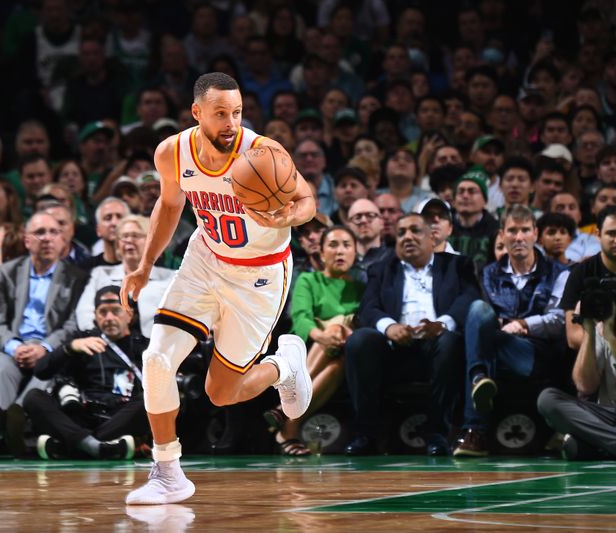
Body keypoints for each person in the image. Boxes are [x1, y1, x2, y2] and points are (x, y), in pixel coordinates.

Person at [120, 72, 316, 505]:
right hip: (205, 259)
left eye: (238, 112)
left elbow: (307, 200)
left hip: (259, 275)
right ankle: (168, 472)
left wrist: (288, 218)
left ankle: (284, 365)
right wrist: (145, 265)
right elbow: (170, 205)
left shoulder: (263, 152)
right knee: (156, 361)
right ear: (197, 112)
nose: (231, 122)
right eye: (221, 113)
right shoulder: (173, 152)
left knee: (221, 392)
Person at [343, 213, 478, 456]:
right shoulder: (381, 269)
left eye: (415, 231)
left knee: (449, 342)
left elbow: (470, 299)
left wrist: (443, 324)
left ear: (432, 237)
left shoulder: (458, 265)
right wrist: (389, 327)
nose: (408, 237)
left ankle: (437, 436)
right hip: (393, 348)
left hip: (437, 344)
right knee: (360, 340)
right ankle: (366, 435)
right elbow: (368, 307)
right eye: (402, 232)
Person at [453, 205, 569, 457]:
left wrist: (525, 324)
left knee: (481, 346)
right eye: (512, 231)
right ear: (502, 235)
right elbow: (482, 321)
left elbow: (559, 320)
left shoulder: (558, 272)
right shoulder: (488, 273)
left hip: (536, 353)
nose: (518, 237)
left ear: (535, 234)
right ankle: (478, 379)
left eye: (525, 230)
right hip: (498, 343)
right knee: (476, 309)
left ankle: (474, 431)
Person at [0, 212, 86, 455]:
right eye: (40, 232)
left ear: (63, 241)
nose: (47, 238)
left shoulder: (76, 277)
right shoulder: (8, 272)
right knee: (1, 363)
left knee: (50, 365)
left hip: (49, 347)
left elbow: (73, 325)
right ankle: (7, 426)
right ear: (27, 240)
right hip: (15, 345)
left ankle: (12, 425)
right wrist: (14, 346)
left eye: (54, 232)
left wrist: (45, 348)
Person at [266, 226, 365, 455]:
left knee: (339, 361)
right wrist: (324, 336)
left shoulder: (360, 287)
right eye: (333, 245)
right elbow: (300, 318)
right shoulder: (309, 280)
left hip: (342, 351)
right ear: (321, 253)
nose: (340, 251)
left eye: (346, 245)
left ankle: (286, 415)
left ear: (355, 253)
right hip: (308, 345)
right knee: (336, 331)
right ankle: (289, 419)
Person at [24, 285, 147, 460]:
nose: (109, 318)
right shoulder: (83, 341)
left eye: (116, 311)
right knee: (33, 397)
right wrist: (69, 348)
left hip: (121, 419)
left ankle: (76, 446)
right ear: (95, 316)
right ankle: (101, 447)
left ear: (129, 314)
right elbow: (41, 371)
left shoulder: (145, 346)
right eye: (103, 312)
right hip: (83, 416)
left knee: (152, 400)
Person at [536, 297, 616, 460]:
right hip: (608, 416)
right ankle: (605, 444)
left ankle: (601, 445)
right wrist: (589, 331)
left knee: (576, 447)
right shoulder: (608, 324)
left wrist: (612, 341)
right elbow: (584, 385)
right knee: (548, 400)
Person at [77, 215, 174, 339]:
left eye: (135, 236)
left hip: (157, 346)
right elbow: (84, 313)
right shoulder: (100, 274)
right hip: (110, 348)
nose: (129, 240)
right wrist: (101, 340)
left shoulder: (170, 278)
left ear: (151, 242)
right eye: (124, 236)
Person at [560, 206, 616, 351]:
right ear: (598, 235)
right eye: (612, 233)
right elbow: (573, 337)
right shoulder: (581, 273)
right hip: (594, 356)